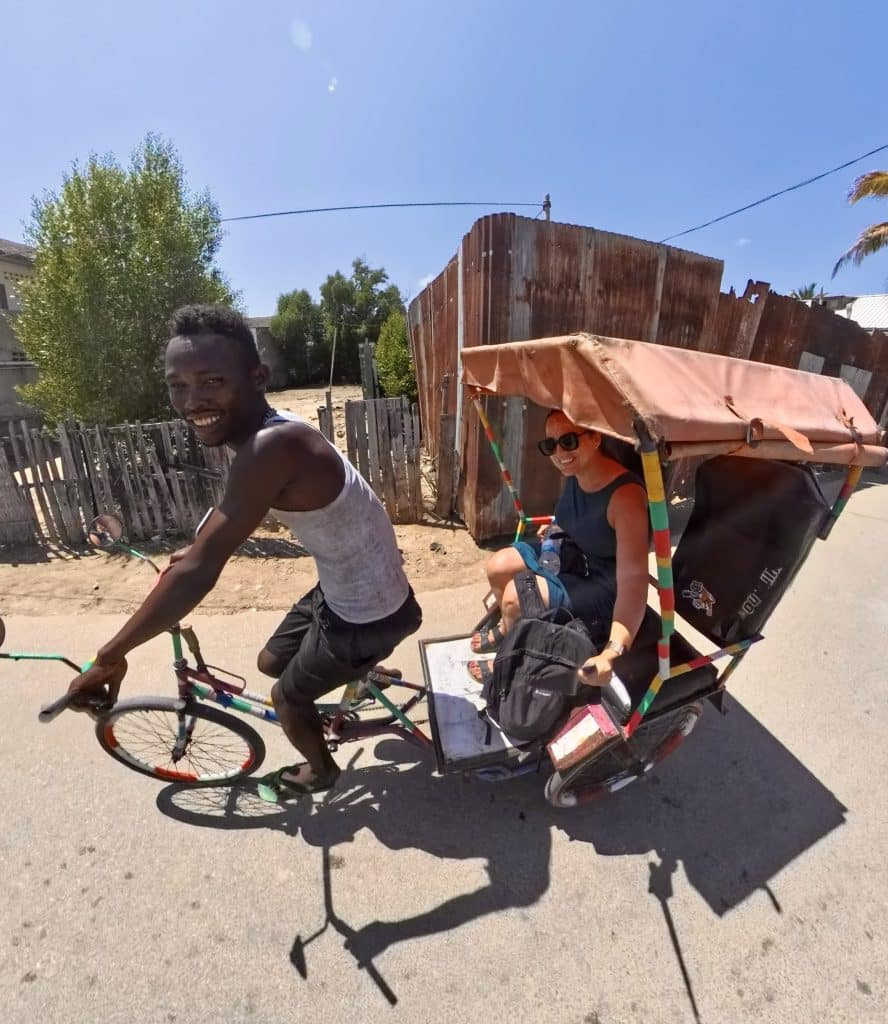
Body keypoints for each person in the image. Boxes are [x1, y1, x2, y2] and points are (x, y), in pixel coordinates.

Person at [67, 304, 422, 795]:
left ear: (257, 376)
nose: (193, 401)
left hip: (369, 613)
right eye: (178, 385)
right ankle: (361, 671)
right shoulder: (268, 431)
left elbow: (200, 570)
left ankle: (322, 770)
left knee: (285, 699)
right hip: (351, 590)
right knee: (270, 661)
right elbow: (232, 507)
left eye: (212, 381)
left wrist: (109, 655)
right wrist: (197, 543)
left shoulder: (270, 449)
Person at [468, 409, 649, 688]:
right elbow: (576, 515)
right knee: (498, 565)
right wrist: (557, 526)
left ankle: (511, 660)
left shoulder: (625, 498)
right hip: (571, 553)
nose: (558, 452)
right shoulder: (577, 470)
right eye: (550, 445)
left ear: (596, 437)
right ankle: (507, 629)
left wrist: (613, 652)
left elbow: (634, 581)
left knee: (516, 596)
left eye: (568, 441)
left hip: (601, 584)